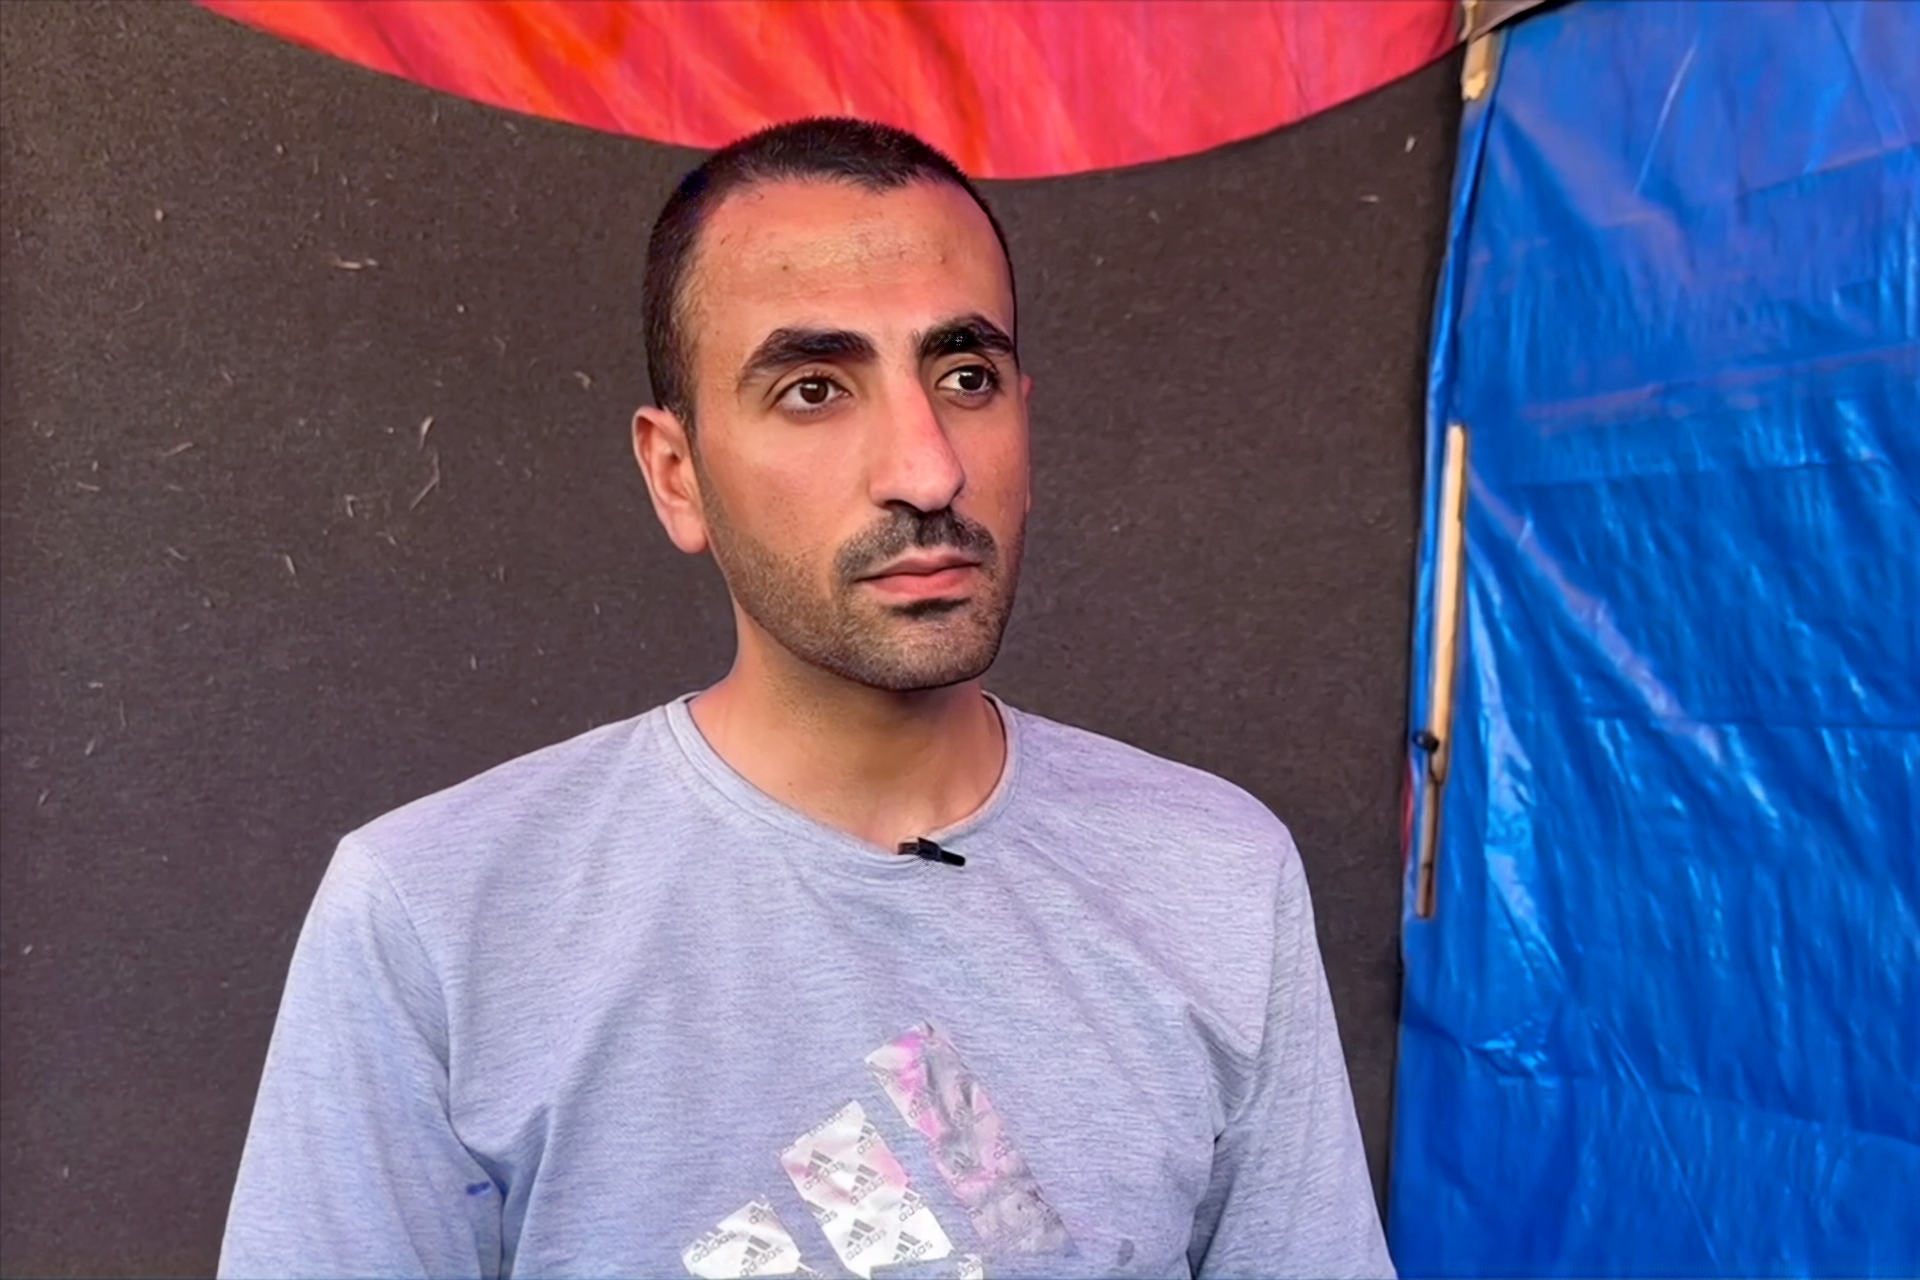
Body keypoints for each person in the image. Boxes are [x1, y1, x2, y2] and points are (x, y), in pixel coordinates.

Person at [220, 117, 1393, 1280]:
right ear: (677, 475)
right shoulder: (437, 917)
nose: (927, 469)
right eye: (815, 388)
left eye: (966, 377)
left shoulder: (1216, 874)